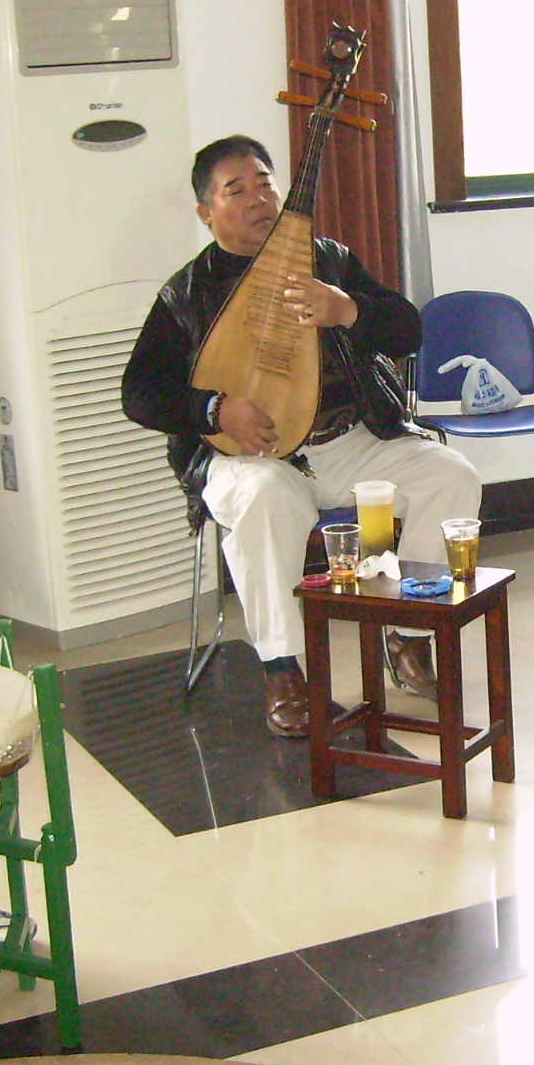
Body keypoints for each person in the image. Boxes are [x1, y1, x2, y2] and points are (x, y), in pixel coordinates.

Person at [122, 135, 481, 738]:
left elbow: (406, 329)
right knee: (267, 496)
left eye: (265, 183)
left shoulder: (328, 261)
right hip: (247, 455)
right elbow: (139, 392)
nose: (258, 199)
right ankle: (283, 671)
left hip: (349, 441)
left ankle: (408, 635)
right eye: (236, 190)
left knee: (451, 476)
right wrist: (215, 410)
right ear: (206, 212)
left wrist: (348, 310)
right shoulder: (187, 292)